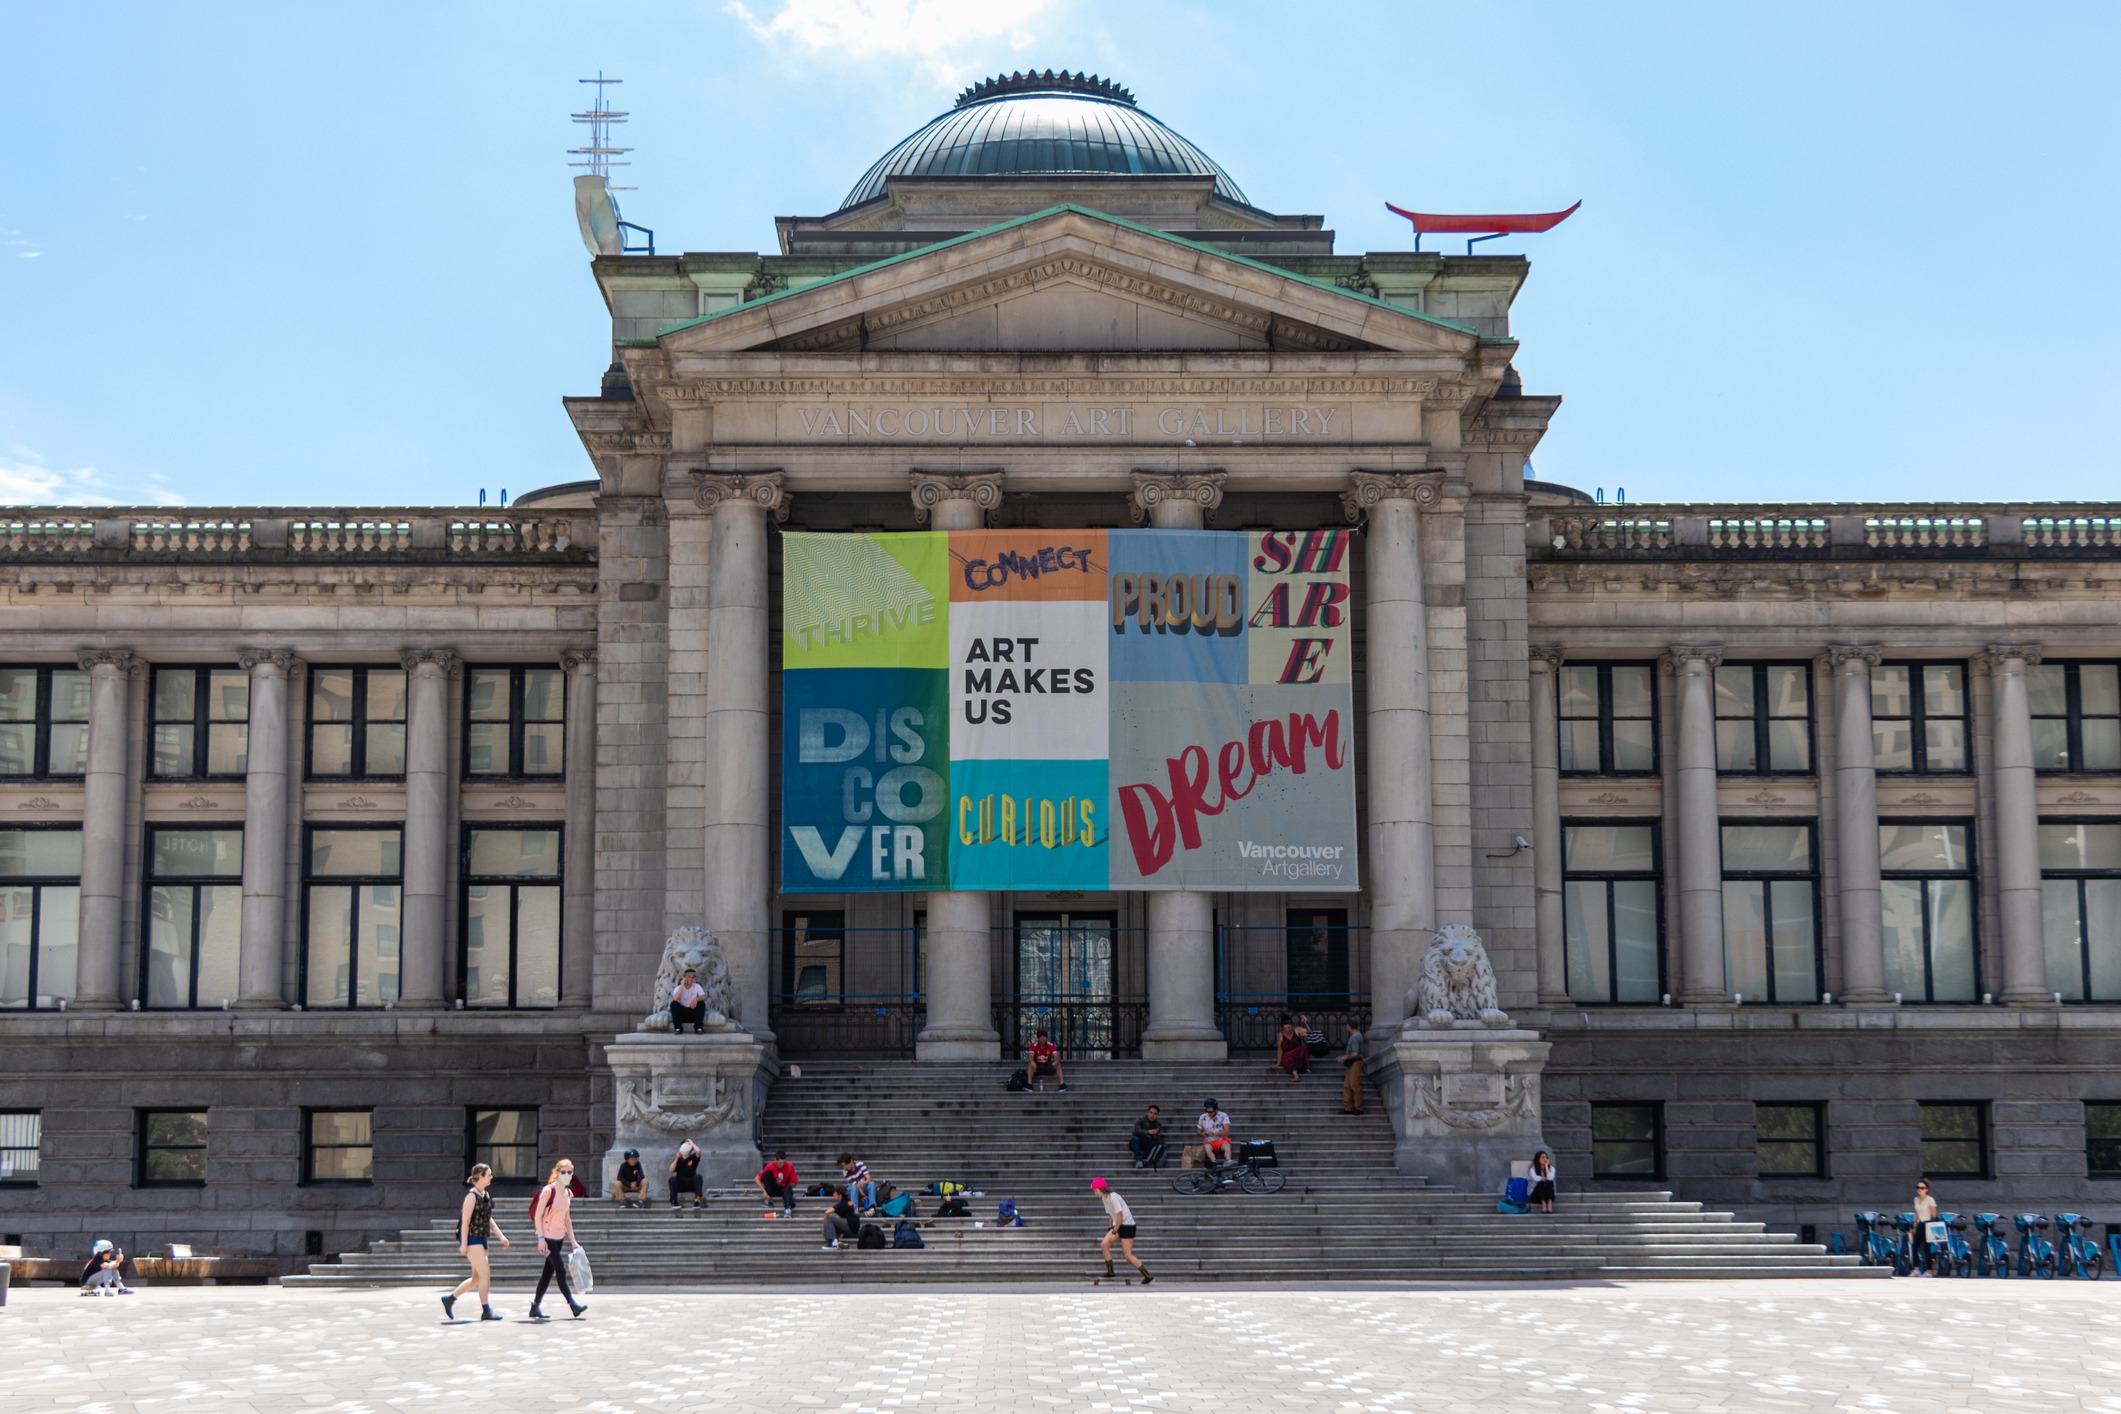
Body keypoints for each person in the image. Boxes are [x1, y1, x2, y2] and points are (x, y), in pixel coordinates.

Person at [443, 1162, 511, 1321]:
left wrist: (501, 1236)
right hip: (472, 1239)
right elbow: (465, 1222)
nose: (491, 1177)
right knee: (485, 1272)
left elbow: (488, 1219)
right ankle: (486, 1310)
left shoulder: (485, 1195)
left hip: (482, 1238)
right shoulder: (471, 1196)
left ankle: (449, 1299)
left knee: (477, 1278)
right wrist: (464, 1244)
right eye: (489, 1175)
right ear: (480, 1177)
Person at [528, 1159, 586, 1320]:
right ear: (557, 1173)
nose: (566, 1175)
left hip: (559, 1236)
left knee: (547, 1273)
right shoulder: (548, 1191)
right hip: (547, 1237)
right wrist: (541, 1239)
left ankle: (534, 1307)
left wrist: (573, 1241)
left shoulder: (568, 1193)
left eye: (569, 1172)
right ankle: (572, 1305)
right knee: (560, 1270)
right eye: (563, 1172)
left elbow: (567, 1219)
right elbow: (538, 1216)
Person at [1092, 1176, 1153, 1283]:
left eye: (1095, 1190)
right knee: (1104, 1244)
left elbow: (1119, 1215)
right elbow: (1111, 1214)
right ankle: (1110, 1272)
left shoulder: (1113, 1197)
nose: (1095, 1193)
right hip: (1117, 1225)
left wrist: (1115, 1230)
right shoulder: (1104, 1198)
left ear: (1101, 1188)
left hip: (1127, 1226)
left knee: (1127, 1255)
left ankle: (1148, 1276)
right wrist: (1111, 1227)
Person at [755, 1149, 799, 1214]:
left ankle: (787, 1208)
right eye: (780, 1163)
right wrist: (764, 1191)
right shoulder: (771, 1165)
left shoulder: (789, 1166)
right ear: (775, 1160)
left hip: (783, 1189)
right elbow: (756, 1178)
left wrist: (790, 1185)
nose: (782, 1165)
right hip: (773, 1188)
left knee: (788, 1188)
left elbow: (795, 1182)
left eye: (783, 1163)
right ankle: (769, 1200)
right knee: (766, 1173)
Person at [1912, 1179, 1940, 1275]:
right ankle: (1916, 1269)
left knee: (1926, 1248)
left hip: (1927, 1224)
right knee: (1915, 1246)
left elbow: (1934, 1215)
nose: (1920, 1189)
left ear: (1926, 1189)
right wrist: (1914, 1226)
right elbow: (1916, 1213)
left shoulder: (1930, 1200)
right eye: (1918, 1187)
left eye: (1922, 1188)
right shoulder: (1916, 1199)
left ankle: (1928, 1271)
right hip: (1920, 1224)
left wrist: (1933, 1226)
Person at [669, 1137, 704, 1209]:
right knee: (672, 1179)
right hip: (681, 1183)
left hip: (691, 1183)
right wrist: (676, 1158)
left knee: (698, 1177)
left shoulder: (693, 1157)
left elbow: (698, 1151)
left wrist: (691, 1143)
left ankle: (697, 1201)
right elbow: (671, 1170)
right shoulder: (678, 1159)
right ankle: (674, 1201)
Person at [1339, 1020, 1366, 1114]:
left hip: (1355, 1063)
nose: (1346, 1027)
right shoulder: (1356, 1035)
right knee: (1347, 1086)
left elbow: (1355, 1053)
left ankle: (1359, 1108)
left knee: (1355, 1085)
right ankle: (1348, 1107)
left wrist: (1344, 1058)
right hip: (1352, 1063)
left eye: (1347, 1025)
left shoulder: (1355, 1037)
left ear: (1349, 1026)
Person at [670, 967, 708, 1033]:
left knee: (701, 1003)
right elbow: (675, 998)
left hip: (692, 1012)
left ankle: (698, 1028)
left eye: (693, 977)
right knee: (673, 1004)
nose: (691, 978)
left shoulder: (697, 986)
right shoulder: (678, 988)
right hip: (682, 1014)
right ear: (684, 977)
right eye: (689, 976)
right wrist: (682, 986)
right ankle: (678, 1028)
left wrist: (697, 999)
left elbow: (704, 997)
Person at [820, 1185, 859, 1250]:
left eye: (835, 1193)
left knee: (830, 1218)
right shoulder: (849, 1202)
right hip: (854, 1229)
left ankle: (833, 1242)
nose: (833, 1195)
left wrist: (824, 1224)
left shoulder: (843, 1203)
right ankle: (839, 1244)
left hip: (851, 1227)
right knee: (826, 1230)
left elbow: (827, 1212)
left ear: (840, 1195)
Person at [1129, 1105, 1167, 1170]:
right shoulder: (1140, 1120)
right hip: (1138, 1142)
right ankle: (1139, 1160)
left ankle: (1147, 1161)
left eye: (1155, 1114)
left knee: (1162, 1144)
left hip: (1148, 1143)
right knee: (1135, 1138)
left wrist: (1155, 1134)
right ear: (1147, 1112)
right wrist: (1148, 1132)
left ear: (1157, 1115)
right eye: (1151, 1112)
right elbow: (1136, 1130)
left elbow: (1155, 1139)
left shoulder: (1158, 1124)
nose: (1152, 1115)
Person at [1197, 1098, 1233, 1166]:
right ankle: (1214, 1161)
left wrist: (1214, 1134)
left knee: (1227, 1146)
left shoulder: (1223, 1116)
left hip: (1221, 1140)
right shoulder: (1202, 1117)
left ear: (1216, 1109)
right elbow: (1198, 1132)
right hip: (1209, 1141)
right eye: (1208, 1112)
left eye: (1211, 1112)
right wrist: (1204, 1134)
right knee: (1207, 1148)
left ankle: (1228, 1160)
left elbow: (1226, 1132)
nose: (1209, 1114)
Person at [1527, 1150, 1557, 1214]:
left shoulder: (1551, 1168)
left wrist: (1546, 1167)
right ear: (1538, 1159)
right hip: (1536, 1196)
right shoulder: (1533, 1169)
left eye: (1546, 1157)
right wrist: (1542, 1178)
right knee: (1540, 1183)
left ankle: (1549, 1204)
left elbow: (1550, 1178)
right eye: (1542, 1158)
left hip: (1548, 1196)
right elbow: (1536, 1179)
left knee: (1549, 1182)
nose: (1545, 1159)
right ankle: (1543, 1205)